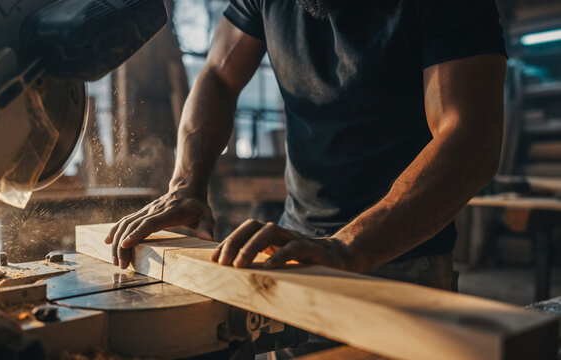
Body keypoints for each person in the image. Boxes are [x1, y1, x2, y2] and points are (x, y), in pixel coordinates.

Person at [104, 0, 507, 292]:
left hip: (401, 255)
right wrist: (185, 186)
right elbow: (218, 79)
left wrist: (349, 248)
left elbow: (471, 138)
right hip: (293, 247)